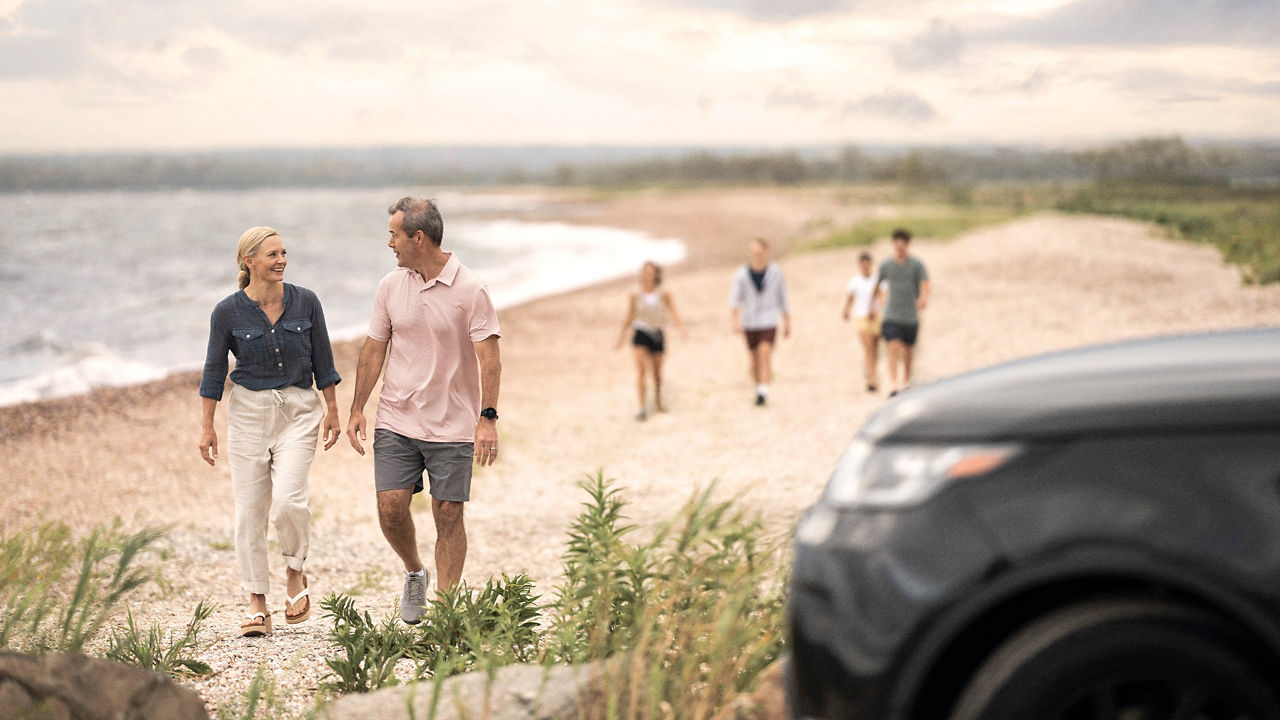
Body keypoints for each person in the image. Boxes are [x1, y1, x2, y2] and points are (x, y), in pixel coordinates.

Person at [345, 196, 501, 626]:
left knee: (448, 513)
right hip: (397, 418)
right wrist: (357, 407)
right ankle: (415, 572)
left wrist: (487, 417)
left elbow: (489, 358)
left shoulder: (471, 289)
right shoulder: (390, 286)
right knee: (390, 506)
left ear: (418, 237)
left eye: (394, 234)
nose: (389, 243)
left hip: (453, 422)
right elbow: (374, 349)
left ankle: (447, 611)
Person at [198, 226, 342, 638]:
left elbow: (324, 361)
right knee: (249, 513)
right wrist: (207, 425)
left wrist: (332, 409)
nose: (280, 260)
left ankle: (295, 570)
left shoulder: (306, 302)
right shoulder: (227, 312)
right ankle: (257, 602)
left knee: (289, 501)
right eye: (272, 255)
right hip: (247, 415)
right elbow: (213, 371)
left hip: (298, 411)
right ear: (250, 261)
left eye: (283, 253)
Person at [615, 261, 688, 421]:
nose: (648, 274)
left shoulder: (664, 293)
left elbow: (673, 312)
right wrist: (621, 337)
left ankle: (658, 401)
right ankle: (641, 408)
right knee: (641, 371)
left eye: (651, 272)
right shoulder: (635, 294)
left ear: (656, 274)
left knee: (657, 373)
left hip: (657, 333)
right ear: (642, 274)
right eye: (646, 271)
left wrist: (681, 328)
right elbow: (629, 315)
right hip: (640, 332)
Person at [729, 238, 790, 406]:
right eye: (754, 252)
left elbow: (782, 297)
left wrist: (787, 321)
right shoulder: (741, 275)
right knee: (754, 358)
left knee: (765, 352)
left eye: (759, 251)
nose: (756, 255)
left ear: (765, 252)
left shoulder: (776, 273)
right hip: (750, 321)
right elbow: (734, 300)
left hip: (769, 319)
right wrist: (735, 321)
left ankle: (763, 390)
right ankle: (759, 386)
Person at [873, 228, 931, 396]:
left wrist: (924, 298)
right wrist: (878, 302)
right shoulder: (886, 265)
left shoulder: (916, 264)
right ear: (893, 245)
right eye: (897, 246)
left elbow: (926, 283)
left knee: (908, 350)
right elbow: (878, 285)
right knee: (893, 346)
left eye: (902, 246)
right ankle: (894, 383)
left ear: (907, 245)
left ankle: (906, 381)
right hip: (892, 313)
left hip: (910, 315)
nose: (899, 249)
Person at [841, 251, 882, 392]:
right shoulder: (855, 282)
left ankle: (872, 371)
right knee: (868, 348)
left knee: (875, 349)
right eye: (862, 263)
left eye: (867, 263)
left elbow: (881, 297)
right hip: (862, 316)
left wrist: (876, 310)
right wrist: (846, 310)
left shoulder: (877, 280)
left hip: (876, 317)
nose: (865, 266)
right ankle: (872, 378)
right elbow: (850, 298)